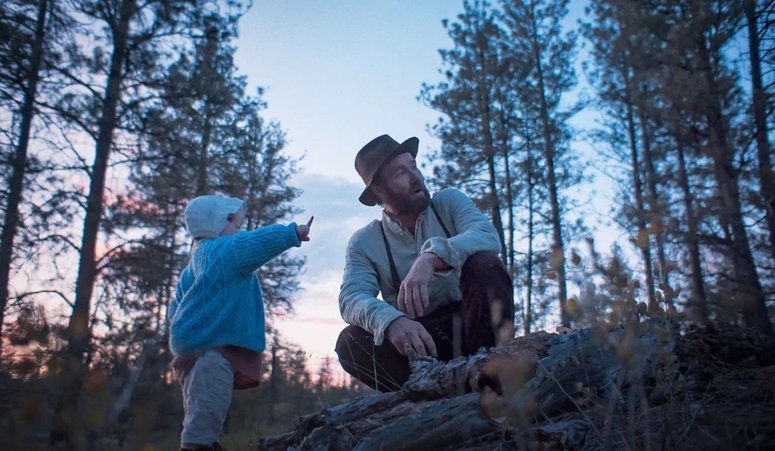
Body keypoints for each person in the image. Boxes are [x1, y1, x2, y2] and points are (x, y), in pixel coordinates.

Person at [335, 134, 514, 392]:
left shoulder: (449, 202)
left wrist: (431, 258)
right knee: (350, 342)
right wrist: (390, 320)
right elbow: (351, 298)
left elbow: (487, 236)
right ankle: (426, 396)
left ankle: (491, 381)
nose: (416, 178)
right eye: (401, 173)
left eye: (414, 167)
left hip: (475, 327)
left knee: (485, 264)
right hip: (419, 345)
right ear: (378, 191)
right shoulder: (364, 242)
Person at [167, 195, 313, 451]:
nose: (238, 227)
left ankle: (201, 443)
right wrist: (292, 233)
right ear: (215, 224)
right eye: (232, 221)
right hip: (212, 350)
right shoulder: (227, 250)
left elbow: (175, 308)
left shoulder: (195, 262)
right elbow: (258, 242)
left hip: (191, 351)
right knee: (208, 407)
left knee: (199, 407)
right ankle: (199, 446)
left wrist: (189, 326)